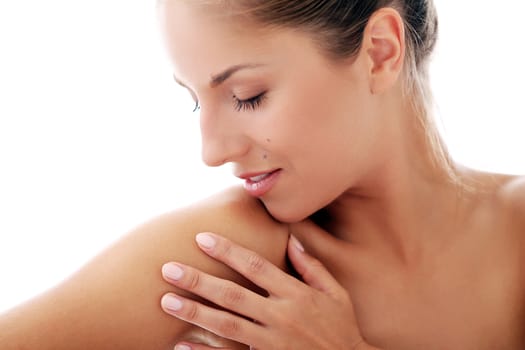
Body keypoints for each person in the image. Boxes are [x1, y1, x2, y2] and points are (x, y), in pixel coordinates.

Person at [0, 1, 524, 349]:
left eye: (247, 96)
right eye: (194, 100)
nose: (211, 151)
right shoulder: (235, 263)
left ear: (380, 52)